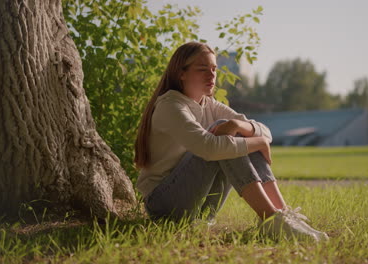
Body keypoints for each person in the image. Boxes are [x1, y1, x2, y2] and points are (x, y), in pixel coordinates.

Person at [134, 41, 329, 242]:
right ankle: (271, 220)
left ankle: (283, 215)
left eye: (214, 69)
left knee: (237, 132)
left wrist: (241, 126)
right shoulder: (170, 106)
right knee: (223, 137)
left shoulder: (208, 104)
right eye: (202, 69)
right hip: (164, 205)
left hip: (197, 206)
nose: (211, 76)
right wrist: (258, 142)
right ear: (181, 73)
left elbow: (265, 133)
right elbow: (208, 148)